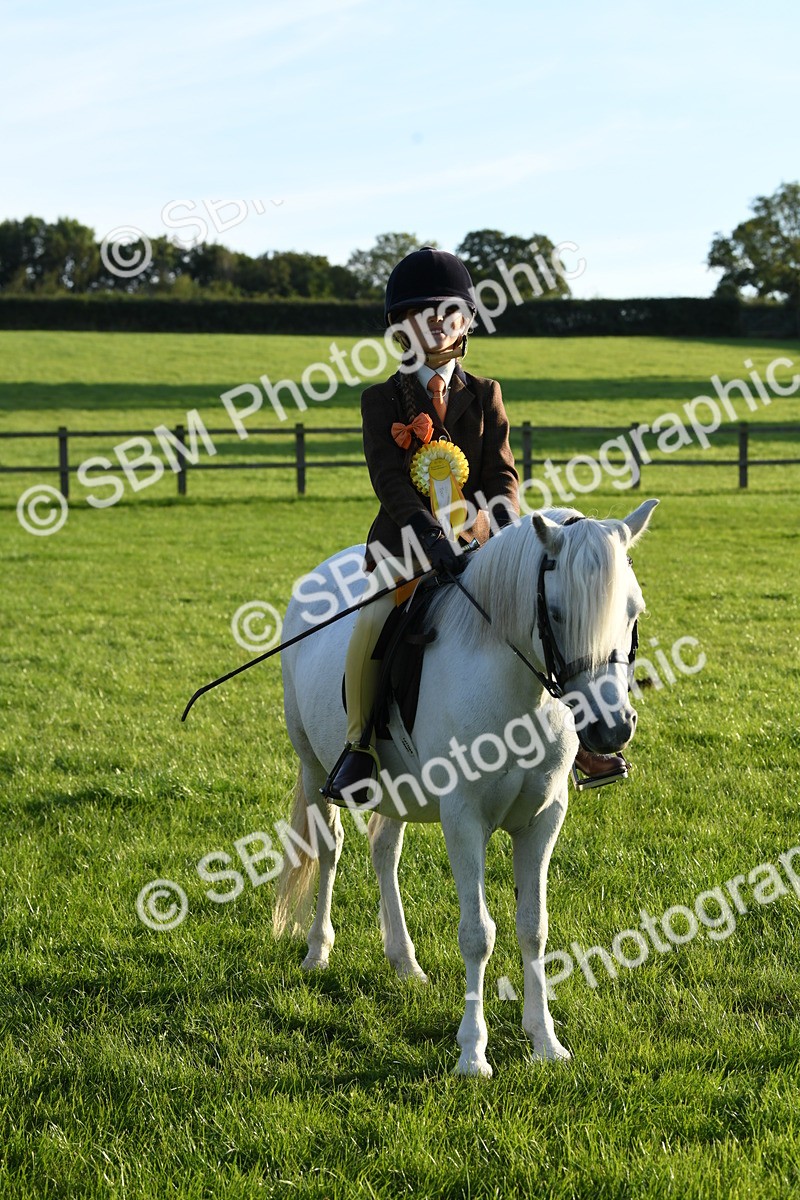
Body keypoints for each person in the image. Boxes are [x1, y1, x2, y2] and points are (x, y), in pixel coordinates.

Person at [322, 247, 519, 805]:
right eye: (421, 312)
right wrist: (430, 537)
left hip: (480, 547)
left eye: (447, 310)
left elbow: (503, 475)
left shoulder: (485, 395)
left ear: (465, 321)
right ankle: (358, 747)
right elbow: (389, 481)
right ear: (400, 327)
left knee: (542, 604)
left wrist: (495, 520)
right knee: (374, 620)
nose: (436, 320)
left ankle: (580, 736)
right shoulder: (382, 400)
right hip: (405, 551)